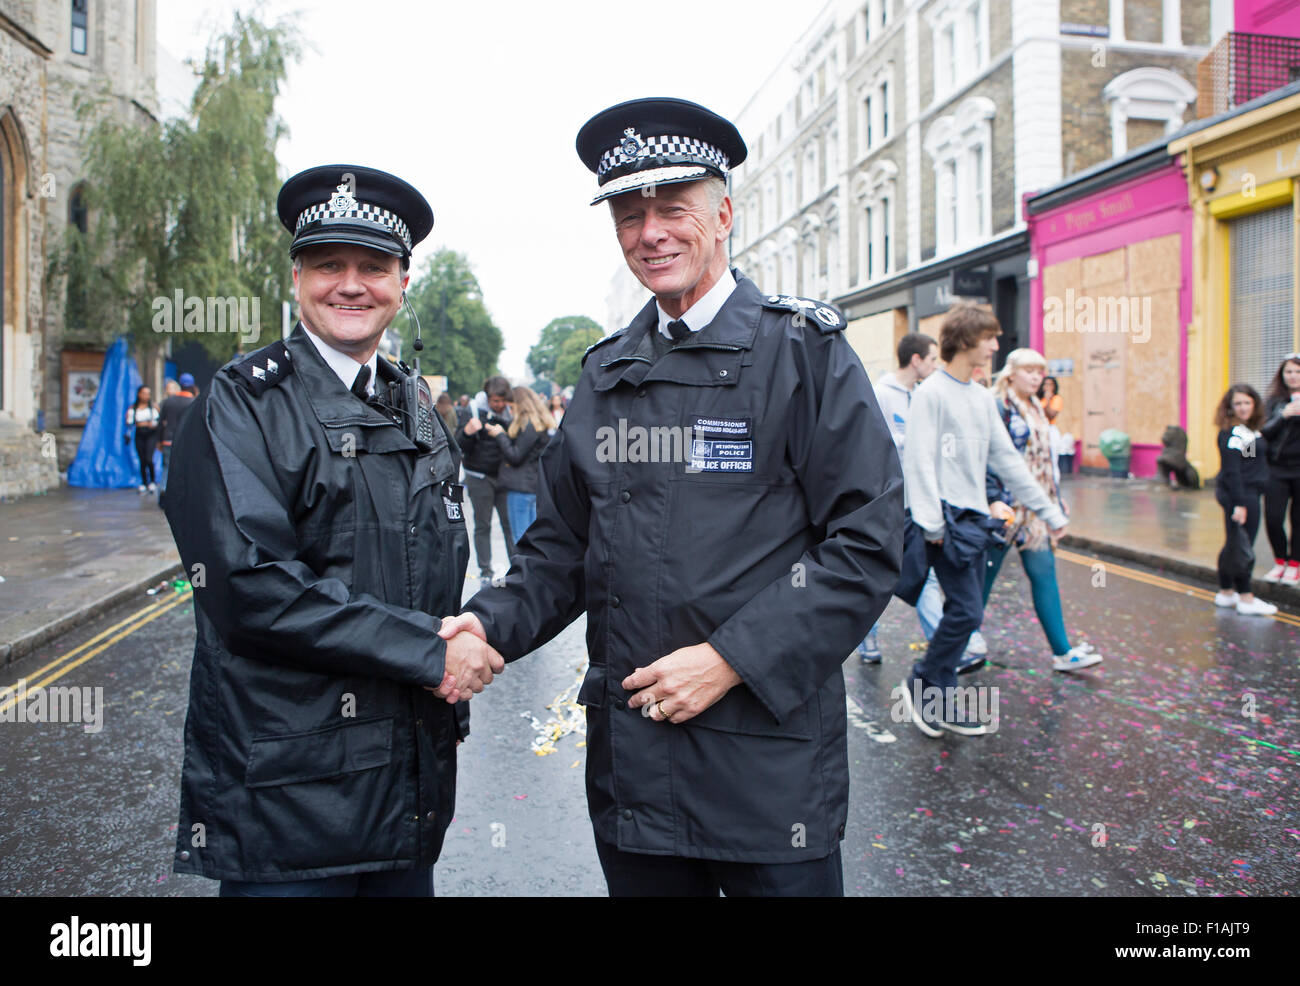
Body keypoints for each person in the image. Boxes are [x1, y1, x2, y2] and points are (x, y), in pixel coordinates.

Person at [439, 97, 902, 897]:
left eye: (672, 208)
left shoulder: (803, 353)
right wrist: (487, 625)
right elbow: (559, 551)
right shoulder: (606, 372)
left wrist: (730, 660)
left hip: (768, 770)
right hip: (636, 775)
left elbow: (866, 542)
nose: (650, 232)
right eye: (629, 213)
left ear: (724, 213)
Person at [161, 164, 502, 897]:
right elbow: (250, 587)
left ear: (403, 283)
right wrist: (430, 653)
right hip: (291, 802)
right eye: (329, 265)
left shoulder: (413, 404)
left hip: (406, 788)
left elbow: (438, 568)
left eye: (373, 267)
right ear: (296, 277)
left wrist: (467, 634)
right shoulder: (240, 405)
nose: (352, 284)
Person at [898, 303, 1068, 737]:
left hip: (974, 520)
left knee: (966, 612)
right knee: (968, 611)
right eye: (989, 338)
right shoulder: (931, 393)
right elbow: (918, 463)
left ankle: (932, 693)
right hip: (944, 523)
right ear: (966, 340)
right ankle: (925, 685)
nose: (996, 345)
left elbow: (1008, 464)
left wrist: (1049, 512)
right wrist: (932, 525)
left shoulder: (978, 398)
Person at [960, 348, 1102, 674]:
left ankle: (1062, 652)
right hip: (1006, 507)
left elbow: (1045, 460)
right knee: (983, 578)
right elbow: (990, 457)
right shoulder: (999, 406)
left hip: (1035, 510)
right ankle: (963, 637)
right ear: (1011, 373)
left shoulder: (1038, 407)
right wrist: (993, 499)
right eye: (1029, 371)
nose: (1036, 377)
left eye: (1040, 371)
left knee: (1044, 574)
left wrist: (1055, 498)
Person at [855, 332, 944, 663]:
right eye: (932, 359)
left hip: (915, 503)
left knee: (923, 572)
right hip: (883, 501)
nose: (936, 366)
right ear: (916, 360)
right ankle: (868, 639)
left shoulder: (922, 395)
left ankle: (942, 643)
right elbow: (873, 442)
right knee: (875, 573)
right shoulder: (882, 393)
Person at [1212, 384, 1275, 615]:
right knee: (1242, 545)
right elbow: (1232, 471)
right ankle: (1246, 598)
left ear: (1254, 404)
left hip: (1246, 493)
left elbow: (1248, 463)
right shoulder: (1230, 433)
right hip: (1240, 495)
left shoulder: (1246, 431)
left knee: (1234, 543)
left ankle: (1227, 592)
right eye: (1238, 403)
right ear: (1230, 407)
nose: (1243, 407)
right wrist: (1239, 503)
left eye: (1247, 402)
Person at [456, 375, 515, 585]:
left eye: (501, 400)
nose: (498, 405)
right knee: (483, 524)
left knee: (510, 525)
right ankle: (485, 570)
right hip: (479, 476)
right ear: (488, 398)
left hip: (505, 476)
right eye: (494, 401)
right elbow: (459, 444)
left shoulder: (513, 412)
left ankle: (515, 566)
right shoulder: (472, 411)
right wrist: (467, 432)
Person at [488, 385, 554, 553]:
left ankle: (526, 578)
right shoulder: (541, 424)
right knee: (532, 539)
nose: (509, 410)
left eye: (511, 406)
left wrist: (500, 435)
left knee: (521, 539)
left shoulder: (529, 425)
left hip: (521, 488)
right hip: (532, 487)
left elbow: (516, 456)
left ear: (519, 404)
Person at [1261, 354, 1300, 586]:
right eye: (1288, 372)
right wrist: (1282, 416)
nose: (1293, 376)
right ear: (1281, 375)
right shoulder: (1274, 402)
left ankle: (1295, 565)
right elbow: (1262, 433)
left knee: (1298, 519)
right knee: (1274, 518)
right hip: (1277, 469)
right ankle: (1280, 561)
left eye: (1297, 371)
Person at [157, 373, 197, 499]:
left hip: (168, 439)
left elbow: (160, 423)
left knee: (167, 467)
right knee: (184, 468)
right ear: (192, 386)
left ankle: (163, 488)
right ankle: (181, 495)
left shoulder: (169, 401)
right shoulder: (194, 402)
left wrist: (159, 441)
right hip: (185, 440)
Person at [126, 385, 161, 493]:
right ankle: (144, 482)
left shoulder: (153, 407)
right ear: (139, 394)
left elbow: (158, 420)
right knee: (142, 459)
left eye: (148, 394)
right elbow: (129, 422)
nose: (146, 396)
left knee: (149, 458)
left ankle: (153, 481)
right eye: (144, 393)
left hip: (151, 434)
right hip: (139, 434)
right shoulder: (133, 408)